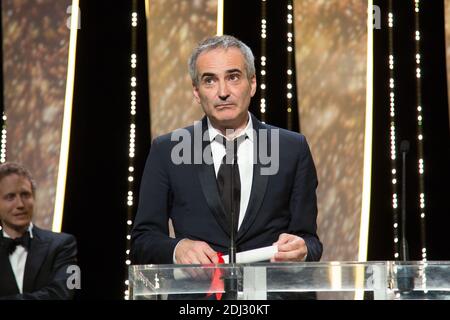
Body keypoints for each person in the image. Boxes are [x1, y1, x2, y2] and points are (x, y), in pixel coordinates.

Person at [131, 35, 321, 270]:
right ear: (196, 92)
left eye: (233, 77)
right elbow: (142, 240)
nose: (223, 91)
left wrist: (301, 250)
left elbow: (311, 243)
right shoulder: (167, 150)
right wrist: (177, 248)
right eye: (209, 81)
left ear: (252, 84)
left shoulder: (292, 148)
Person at [0, 162, 78, 300]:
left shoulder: (64, 244)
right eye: (10, 197)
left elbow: (65, 294)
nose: (20, 204)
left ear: (34, 198)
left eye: (25, 195)